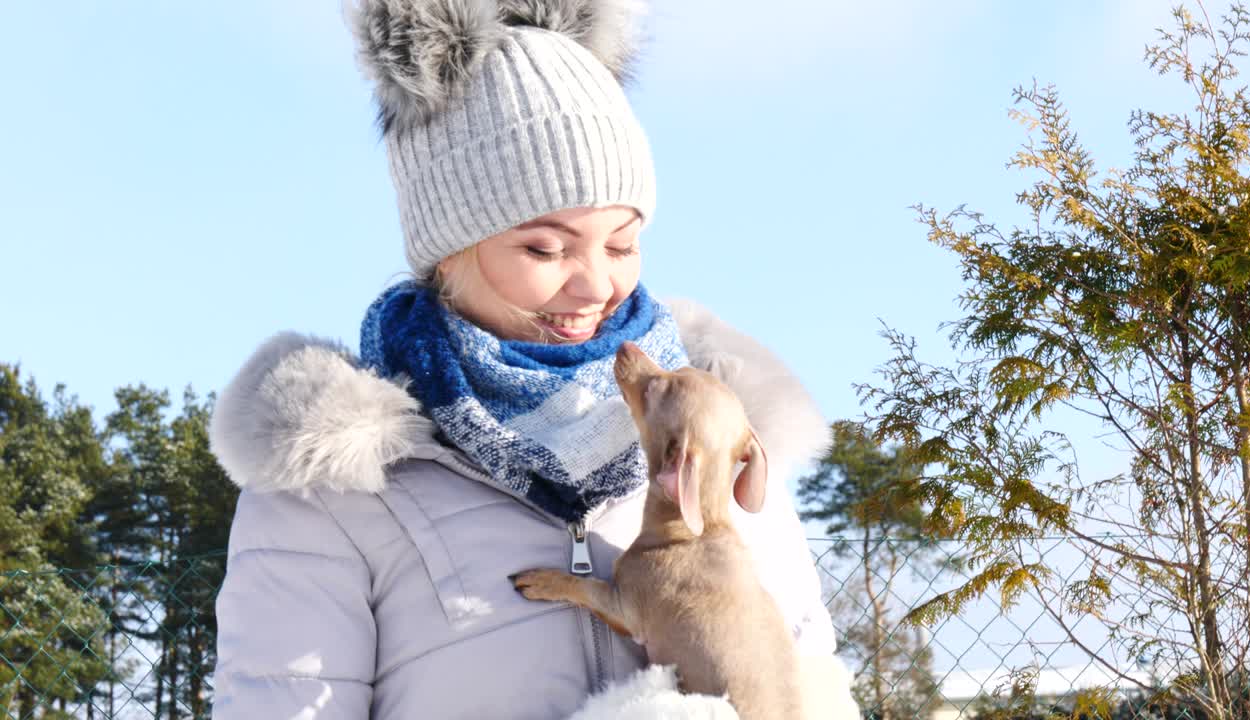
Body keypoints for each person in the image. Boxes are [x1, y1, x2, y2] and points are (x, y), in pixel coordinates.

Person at [208, 1, 859, 717]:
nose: (596, 285)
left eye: (621, 243)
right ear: (448, 250)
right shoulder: (333, 488)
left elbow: (809, 692)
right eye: (546, 249)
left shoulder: (720, 442)